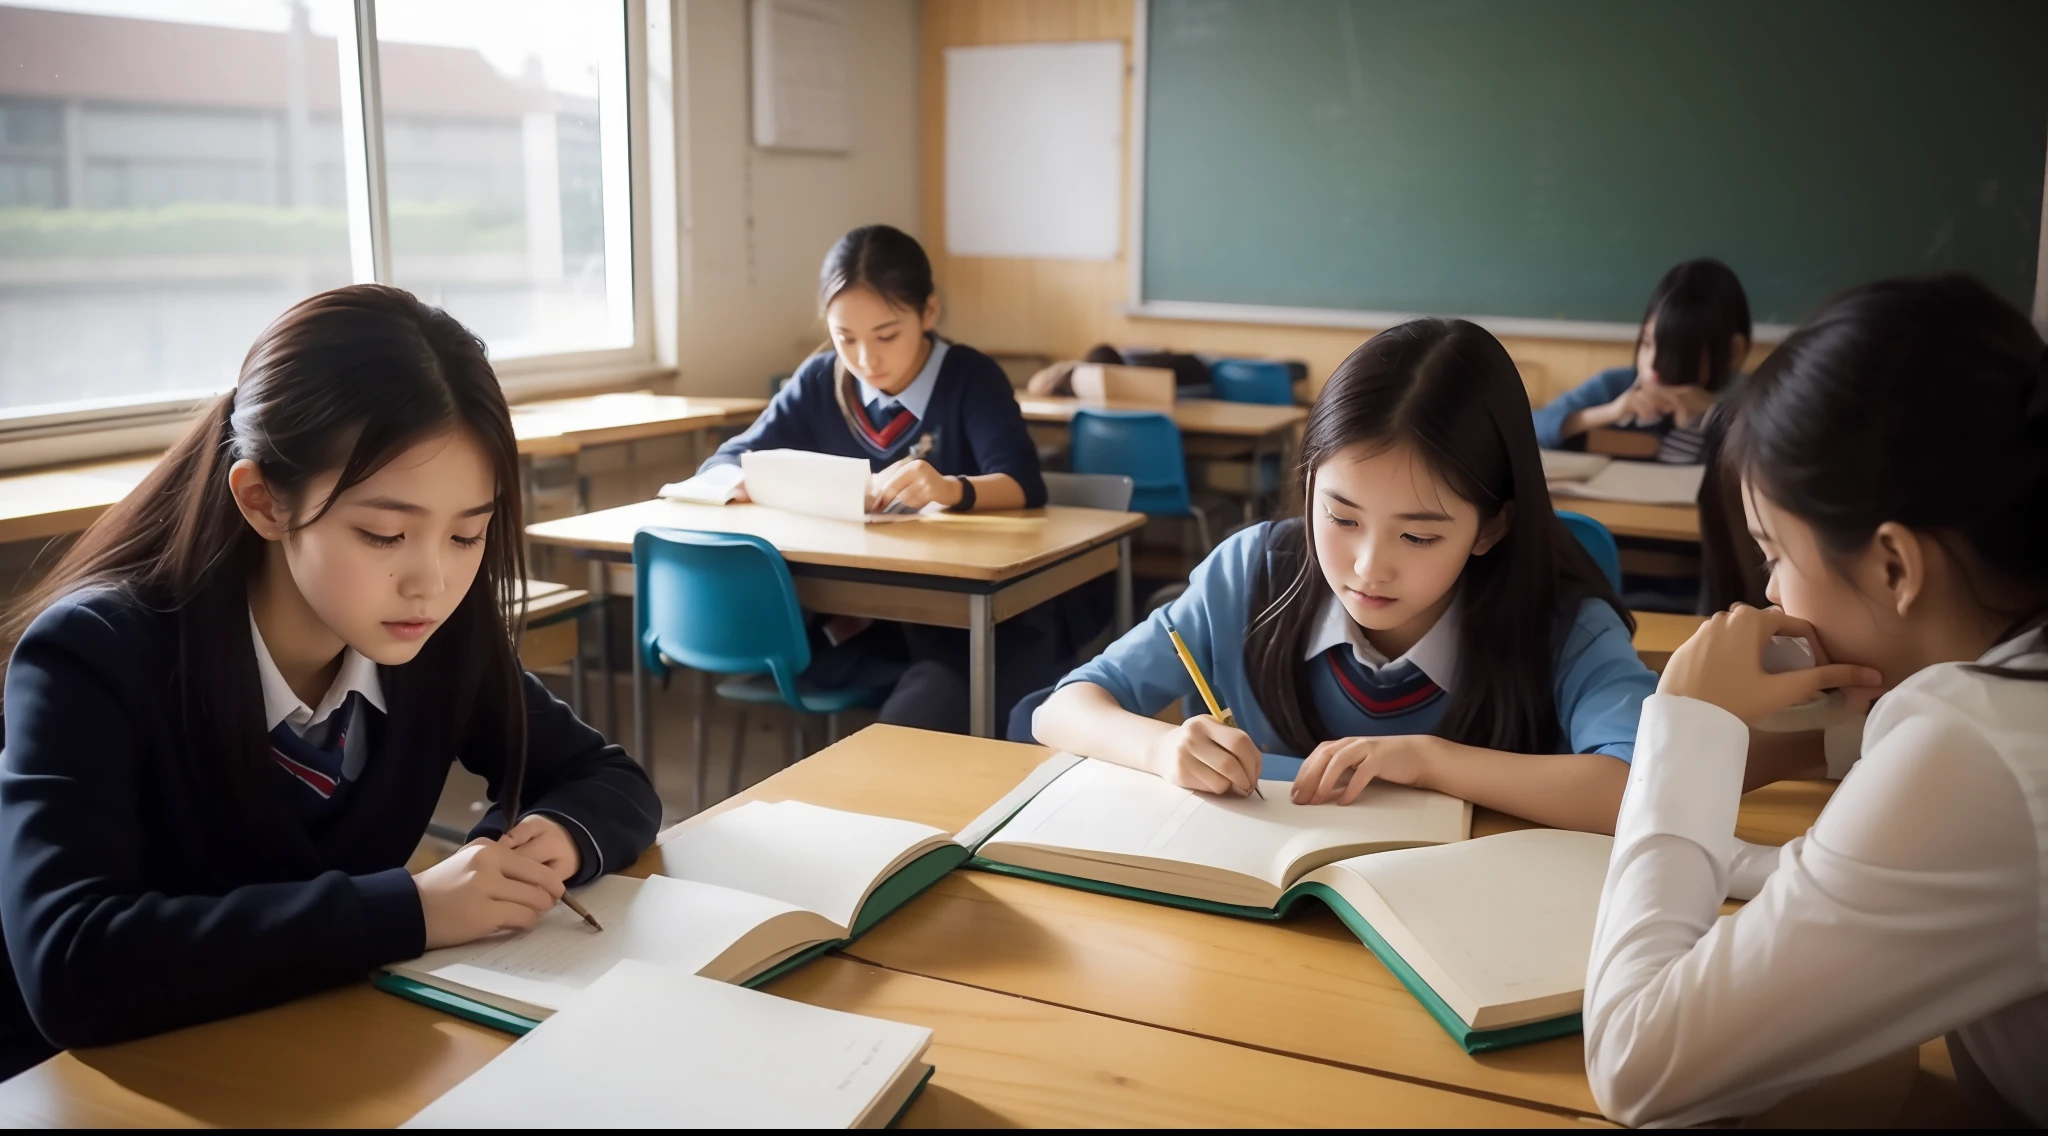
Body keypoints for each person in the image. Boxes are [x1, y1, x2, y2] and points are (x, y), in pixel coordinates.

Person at [0, 286, 660, 1077]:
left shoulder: (438, 635)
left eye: (467, 533)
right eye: (384, 533)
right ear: (264, 501)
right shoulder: (96, 653)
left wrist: (542, 845)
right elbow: (72, 964)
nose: (432, 580)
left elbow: (604, 776)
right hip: (101, 1081)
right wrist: (411, 909)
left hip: (311, 1045)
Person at [1584, 274, 2048, 1126]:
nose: (1768, 592)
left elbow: (1634, 1060)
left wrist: (1691, 726)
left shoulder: (1977, 750)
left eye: (1772, 550)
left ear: (1895, 568)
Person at [1033, 318, 1655, 834]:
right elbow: (1062, 709)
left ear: (1491, 526)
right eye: (1340, 516)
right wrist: (1161, 749)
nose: (1367, 566)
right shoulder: (1251, 574)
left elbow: (1642, 790)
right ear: (1308, 486)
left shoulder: (1560, 623)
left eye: (1418, 535)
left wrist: (1428, 760)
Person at [700, 224, 1069, 733]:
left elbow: (1025, 483)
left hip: (958, 623)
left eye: (887, 335)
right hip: (855, 621)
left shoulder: (969, 377)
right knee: (892, 687)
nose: (866, 359)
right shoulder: (820, 378)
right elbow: (725, 460)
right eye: (845, 337)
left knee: (940, 690)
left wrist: (952, 489)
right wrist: (737, 482)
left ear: (929, 313)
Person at [1533, 257, 1751, 463]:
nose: (1651, 366)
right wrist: (1611, 411)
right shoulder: (1616, 386)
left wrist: (1718, 414)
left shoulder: (1751, 399)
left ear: (1733, 352)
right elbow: (1531, 428)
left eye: (1675, 352)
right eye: (1647, 344)